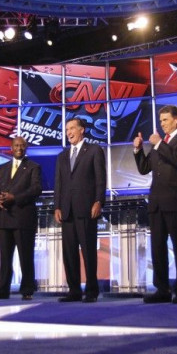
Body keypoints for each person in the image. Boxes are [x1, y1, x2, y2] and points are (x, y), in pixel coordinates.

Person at [134, 105, 177, 304]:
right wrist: (137, 150)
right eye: (161, 121)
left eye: (166, 120)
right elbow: (145, 168)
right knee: (158, 248)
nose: (162, 124)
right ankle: (162, 289)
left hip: (176, 201)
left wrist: (160, 144)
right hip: (156, 203)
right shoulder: (158, 144)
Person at [54, 117, 107, 303]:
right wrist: (57, 206)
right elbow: (59, 183)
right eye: (67, 129)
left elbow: (101, 179)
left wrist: (99, 201)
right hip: (66, 211)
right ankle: (74, 290)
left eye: (72, 128)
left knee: (88, 251)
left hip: (86, 208)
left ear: (82, 130)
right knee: (69, 253)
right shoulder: (62, 156)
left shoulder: (94, 150)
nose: (68, 132)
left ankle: (92, 291)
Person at [0, 137, 42, 300]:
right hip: (4, 216)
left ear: (26, 148)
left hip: (23, 218)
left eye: (22, 145)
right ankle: (3, 289)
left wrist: (14, 197)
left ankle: (27, 289)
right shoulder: (2, 168)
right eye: (16, 145)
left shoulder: (33, 167)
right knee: (5, 257)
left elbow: (36, 189)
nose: (19, 148)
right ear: (11, 148)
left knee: (25, 256)